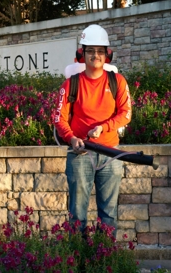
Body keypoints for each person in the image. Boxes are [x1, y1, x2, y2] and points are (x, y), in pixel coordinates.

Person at [54, 24, 132, 237]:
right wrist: (71, 139)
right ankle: (78, 262)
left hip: (110, 154)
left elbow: (126, 113)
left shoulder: (118, 81)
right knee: (77, 214)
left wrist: (104, 127)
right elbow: (58, 118)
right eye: (90, 50)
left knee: (108, 215)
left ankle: (104, 259)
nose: (95, 55)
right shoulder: (71, 84)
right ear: (82, 54)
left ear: (107, 54)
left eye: (100, 51)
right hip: (80, 154)